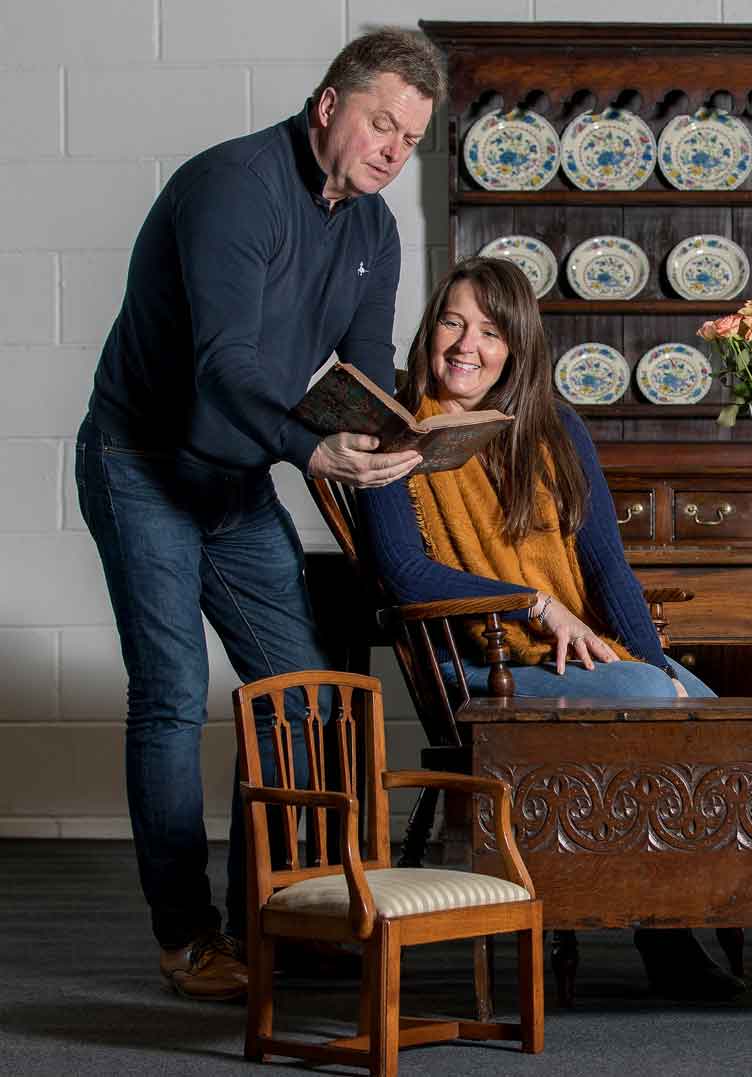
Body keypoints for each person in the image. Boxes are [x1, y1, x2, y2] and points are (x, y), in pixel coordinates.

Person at [75, 29, 444, 1001]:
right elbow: (225, 367)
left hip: (235, 480)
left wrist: (397, 441)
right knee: (170, 695)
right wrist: (313, 450)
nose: (391, 151)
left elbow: (361, 373)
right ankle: (187, 938)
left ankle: (277, 916)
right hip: (145, 463)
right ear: (328, 106)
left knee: (305, 696)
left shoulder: (374, 227)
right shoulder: (232, 189)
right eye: (380, 124)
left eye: (409, 139)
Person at [358, 256, 743, 1000]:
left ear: (517, 347)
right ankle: (660, 937)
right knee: (654, 703)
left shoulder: (554, 428)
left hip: (558, 654)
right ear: (429, 328)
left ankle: (672, 914)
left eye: (491, 330)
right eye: (453, 320)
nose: (467, 344)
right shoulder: (394, 432)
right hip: (478, 662)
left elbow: (606, 570)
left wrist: (653, 661)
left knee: (706, 712)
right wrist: (533, 605)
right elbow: (406, 574)